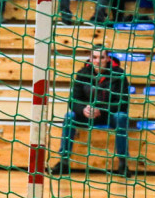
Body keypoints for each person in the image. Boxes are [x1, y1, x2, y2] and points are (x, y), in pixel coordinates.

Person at [49, 45, 131, 176]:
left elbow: (123, 102)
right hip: (86, 115)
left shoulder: (119, 74)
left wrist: (101, 110)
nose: (98, 61)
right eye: (95, 57)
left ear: (108, 59)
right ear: (90, 58)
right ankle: (63, 162)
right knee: (69, 117)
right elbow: (73, 100)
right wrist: (83, 109)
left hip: (107, 115)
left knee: (121, 117)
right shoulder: (82, 74)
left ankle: (123, 163)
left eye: (102, 57)